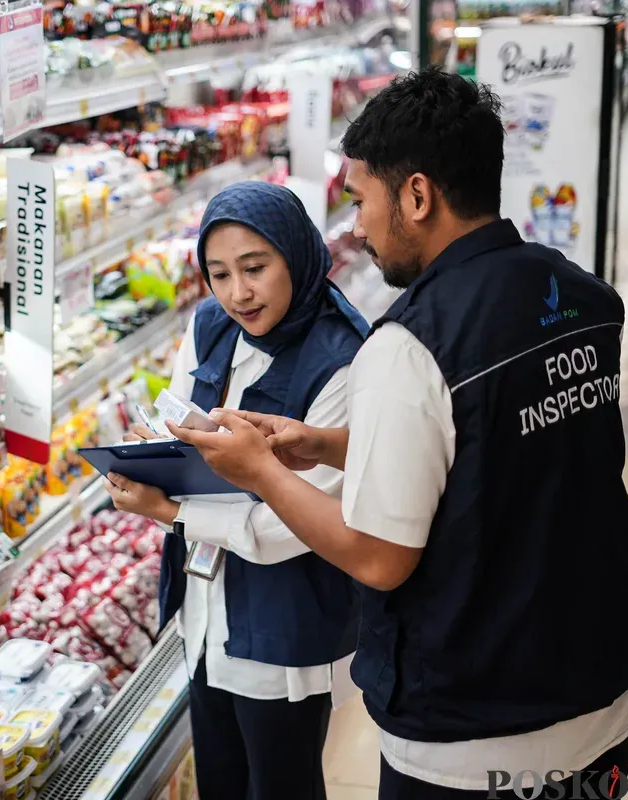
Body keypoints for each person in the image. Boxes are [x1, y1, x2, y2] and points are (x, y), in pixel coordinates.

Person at [169, 68, 628, 800]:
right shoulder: (583, 296)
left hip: (483, 722)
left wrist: (261, 472)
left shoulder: (409, 345)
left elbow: (378, 558)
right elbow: (490, 444)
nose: (357, 227)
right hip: (608, 678)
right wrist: (327, 444)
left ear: (418, 195)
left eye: (361, 199)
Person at [103, 181, 370, 800]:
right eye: (219, 274)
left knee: (282, 784)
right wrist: (146, 457)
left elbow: (298, 523)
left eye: (255, 268)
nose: (238, 294)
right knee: (220, 780)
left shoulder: (343, 359)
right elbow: (177, 425)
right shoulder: (210, 326)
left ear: (296, 256)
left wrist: (170, 510)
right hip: (204, 609)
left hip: (284, 622)